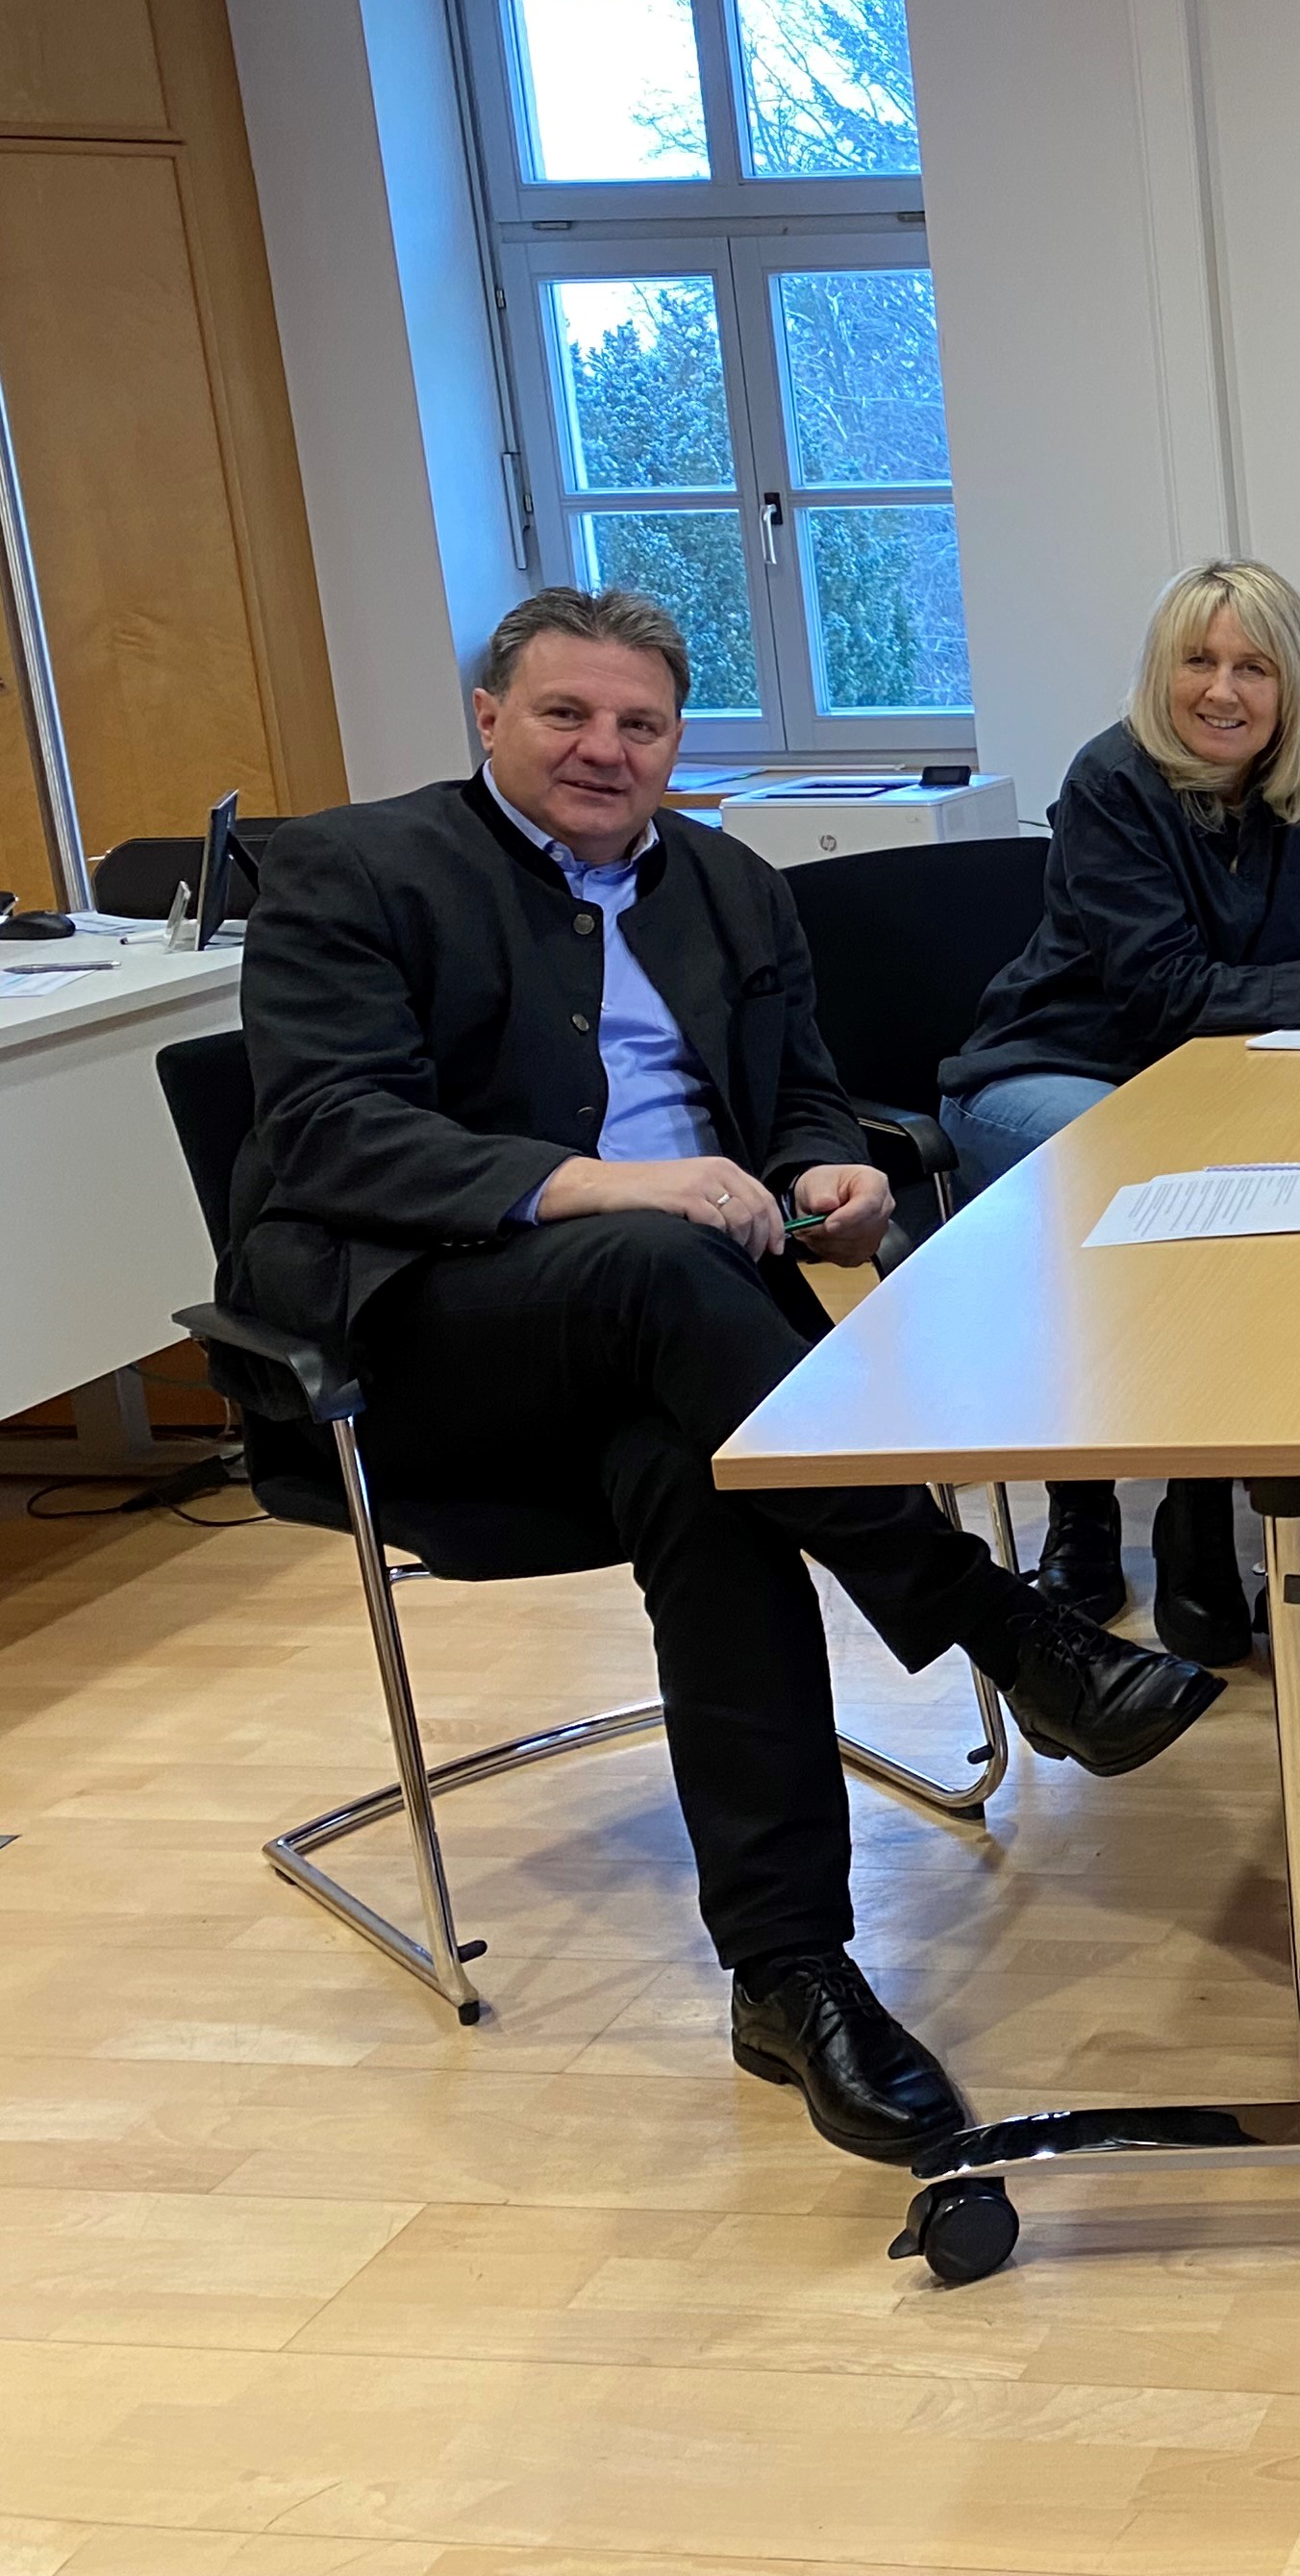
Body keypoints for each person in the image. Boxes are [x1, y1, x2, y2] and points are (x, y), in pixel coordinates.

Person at [223, 586, 1226, 2163]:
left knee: (703, 1473)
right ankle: (999, 1617)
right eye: (566, 714)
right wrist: (614, 1186)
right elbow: (336, 1131)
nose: (603, 749)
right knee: (662, 1261)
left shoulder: (736, 886)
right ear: (489, 714)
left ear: (677, 739)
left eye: (640, 723)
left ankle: (789, 1971)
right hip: (424, 1340)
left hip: (684, 1362)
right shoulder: (354, 870)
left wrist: (834, 1171)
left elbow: (808, 1099)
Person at [938, 559, 1300, 1664]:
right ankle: (1102, 1503)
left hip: (1216, 1075)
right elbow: (1159, 988)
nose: (1223, 690)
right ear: (1161, 676)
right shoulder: (1112, 781)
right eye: (1198, 662)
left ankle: (1204, 1495)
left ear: (1291, 684)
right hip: (1054, 1064)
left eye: (1253, 666)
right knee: (1150, 1182)